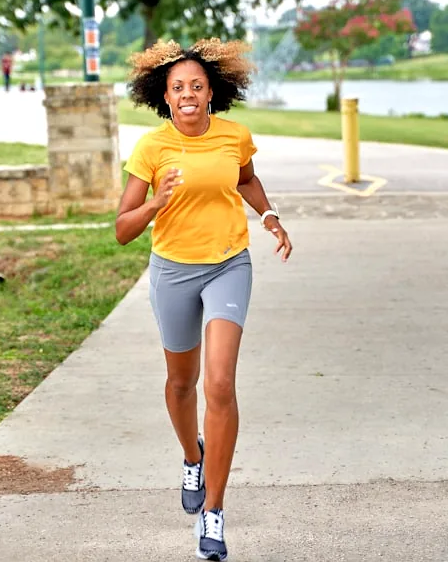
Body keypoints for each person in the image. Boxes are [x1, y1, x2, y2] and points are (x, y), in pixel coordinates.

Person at [114, 38, 293, 561]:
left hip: (228, 264)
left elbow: (248, 180)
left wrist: (269, 216)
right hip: (172, 271)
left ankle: (213, 513)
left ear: (211, 92)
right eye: (178, 88)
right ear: (164, 98)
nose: (188, 94)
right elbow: (122, 229)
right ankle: (192, 454)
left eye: (196, 85)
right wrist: (156, 202)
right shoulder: (151, 148)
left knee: (219, 382)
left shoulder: (234, 136)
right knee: (180, 381)